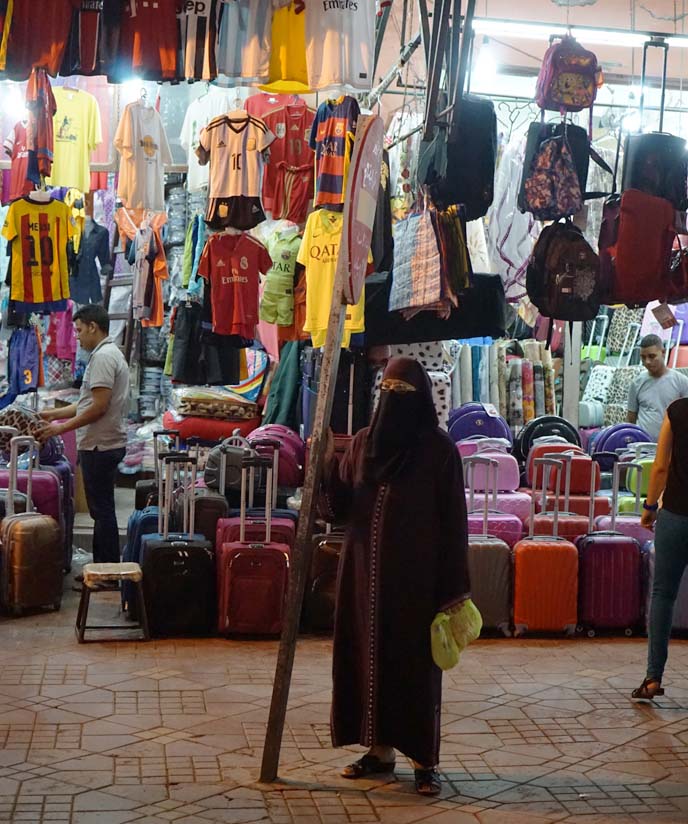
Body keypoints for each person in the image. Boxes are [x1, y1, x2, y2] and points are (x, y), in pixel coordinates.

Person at [323, 356, 471, 796]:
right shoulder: (365, 442)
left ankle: (424, 760)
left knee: (413, 667)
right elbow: (341, 508)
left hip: (416, 583)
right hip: (363, 578)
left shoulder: (439, 450)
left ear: (422, 398)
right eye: (387, 392)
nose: (394, 401)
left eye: (403, 393)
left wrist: (452, 590)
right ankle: (379, 752)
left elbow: (454, 523)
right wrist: (327, 463)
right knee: (366, 660)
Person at [39, 304, 129, 566]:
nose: (76, 336)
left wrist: (60, 429)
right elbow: (87, 402)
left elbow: (98, 408)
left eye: (79, 330)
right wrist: (53, 415)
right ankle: (104, 566)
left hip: (101, 445)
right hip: (104, 443)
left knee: (102, 512)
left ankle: (106, 569)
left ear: (93, 327)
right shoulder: (108, 354)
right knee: (101, 510)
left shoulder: (103, 358)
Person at [633, 398, 688, 701]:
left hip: (676, 516)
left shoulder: (676, 411)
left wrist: (649, 507)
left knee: (663, 595)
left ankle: (653, 678)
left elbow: (660, 467)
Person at [627, 334, 688, 441]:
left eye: (652, 356)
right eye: (643, 357)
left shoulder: (681, 381)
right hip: (642, 446)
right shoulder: (636, 383)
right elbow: (630, 419)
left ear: (663, 353)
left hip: (671, 446)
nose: (647, 362)